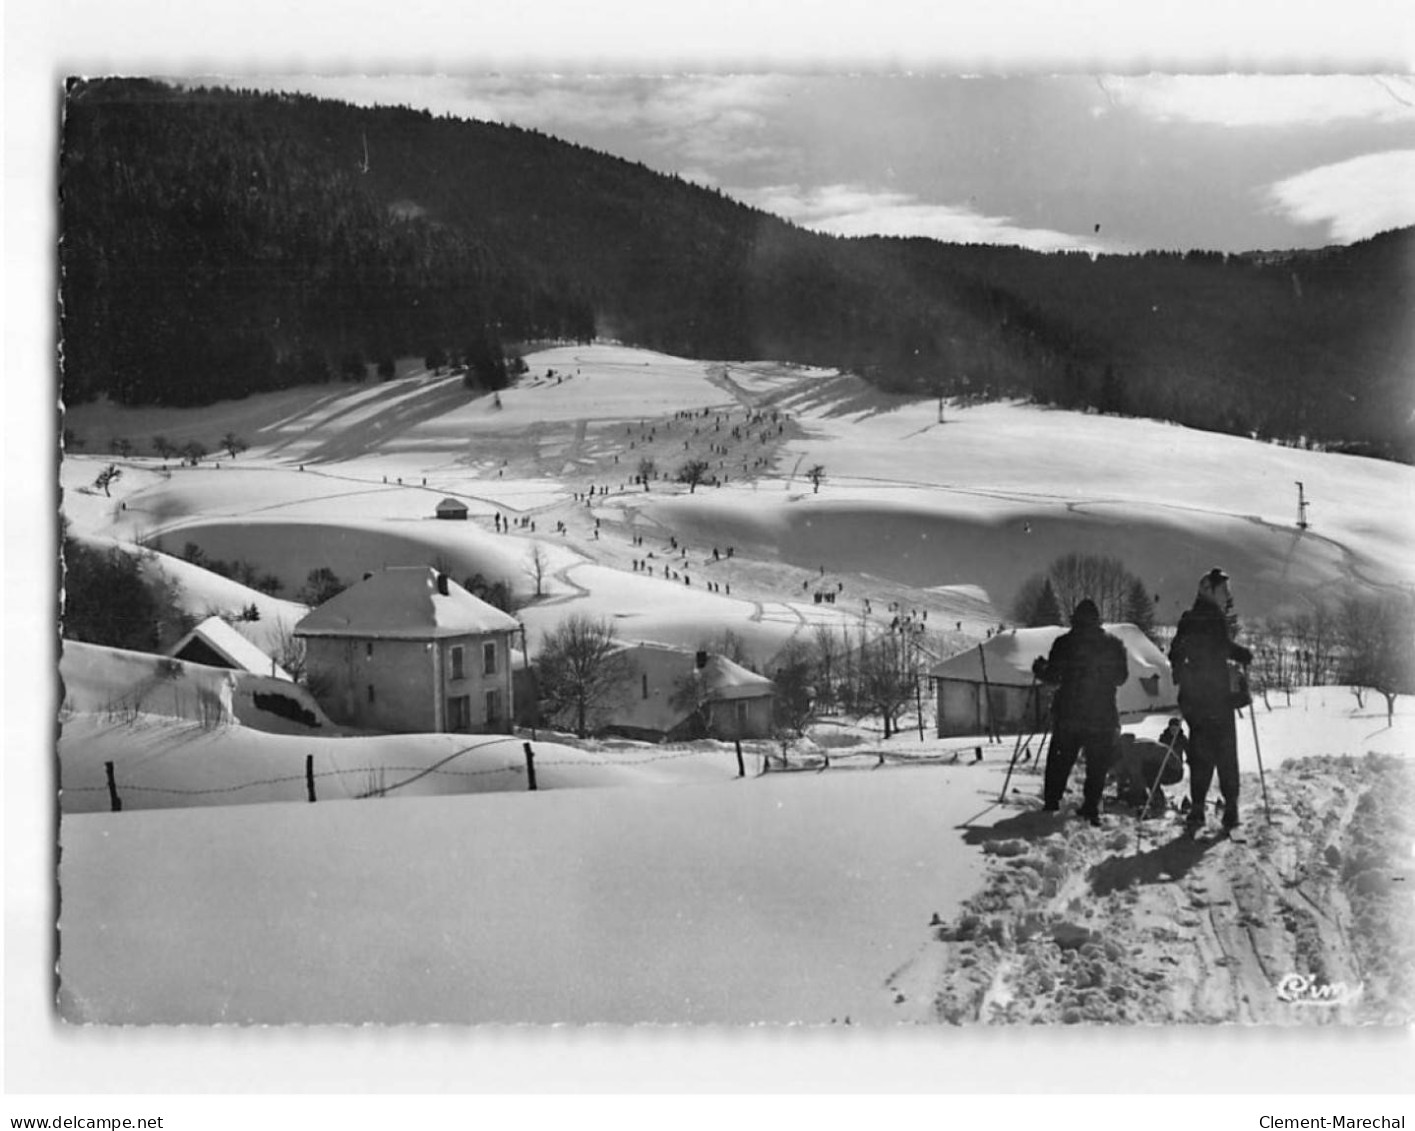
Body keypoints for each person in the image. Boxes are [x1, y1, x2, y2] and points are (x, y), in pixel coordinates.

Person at [1168, 567, 1253, 833]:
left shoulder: (1189, 618)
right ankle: (1230, 808)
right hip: (1218, 697)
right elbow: (1221, 648)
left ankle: (1197, 809)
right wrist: (1243, 654)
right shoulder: (1214, 618)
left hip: (1196, 700)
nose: (1227, 595)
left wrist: (1182, 677)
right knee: (1226, 754)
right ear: (1209, 591)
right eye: (1223, 590)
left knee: (1200, 753)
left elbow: (1176, 653)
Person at [1031, 598, 1129, 825]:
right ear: (1098, 620)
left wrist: (1040, 668)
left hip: (1069, 714)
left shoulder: (1064, 643)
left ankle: (1051, 803)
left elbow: (1053, 677)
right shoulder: (1113, 645)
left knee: (1059, 761)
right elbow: (1121, 678)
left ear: (1075, 619)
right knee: (1097, 765)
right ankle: (1091, 807)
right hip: (1102, 715)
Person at [1110, 725, 1186, 815]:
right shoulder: (1125, 750)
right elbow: (1123, 776)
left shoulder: (1130, 752)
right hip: (1168, 766)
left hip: (1173, 770)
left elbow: (1137, 779)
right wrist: (1122, 789)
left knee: (1148, 770)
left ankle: (1158, 800)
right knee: (1144, 771)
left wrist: (1131, 795)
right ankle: (1150, 797)